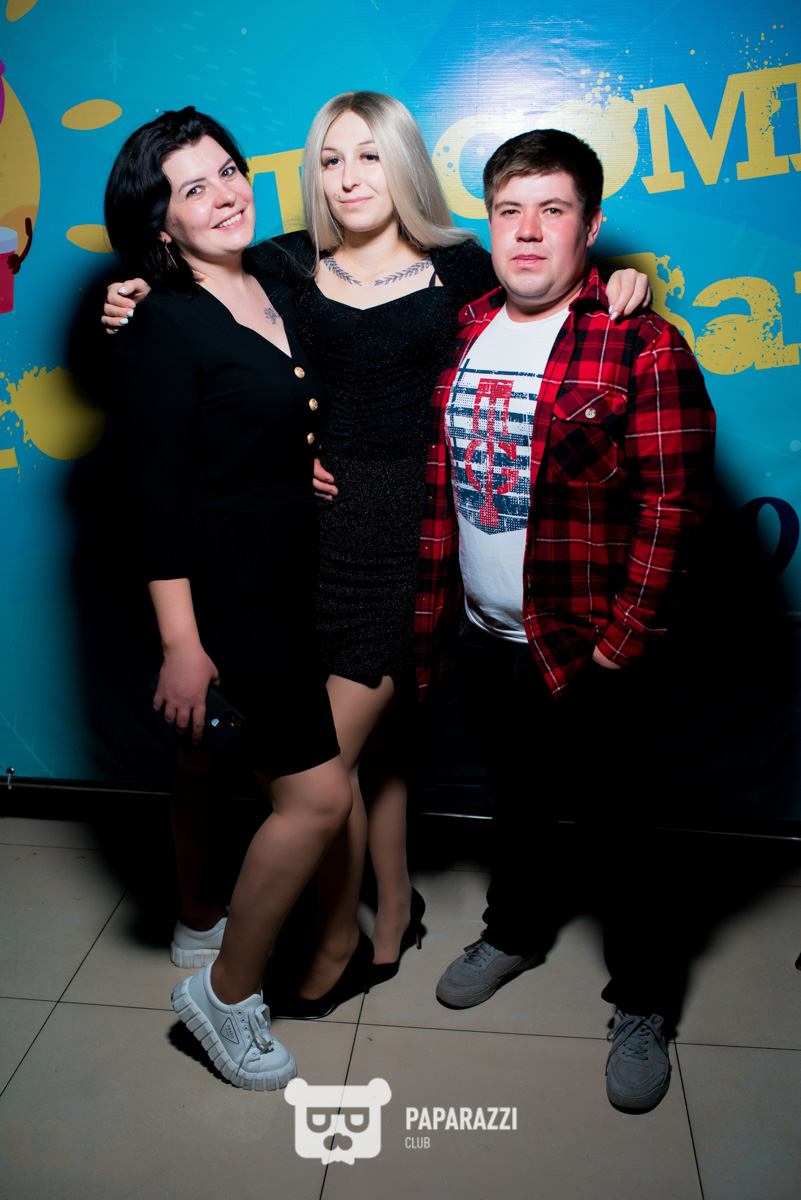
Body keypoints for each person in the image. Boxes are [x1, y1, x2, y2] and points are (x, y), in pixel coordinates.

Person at [103, 94, 652, 1016]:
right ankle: (390, 911)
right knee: (365, 752)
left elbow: (549, 281)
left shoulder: (463, 265)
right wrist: (130, 298)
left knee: (336, 750)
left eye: (368, 156)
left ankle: (333, 942)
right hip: (311, 537)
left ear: (402, 164)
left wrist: (620, 285)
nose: (349, 177)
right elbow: (195, 292)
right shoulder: (283, 262)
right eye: (329, 160)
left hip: (416, 534)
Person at [414, 128, 715, 1111]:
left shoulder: (642, 342)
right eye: (509, 210)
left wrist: (621, 645)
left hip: (592, 650)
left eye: (552, 210)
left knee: (627, 833)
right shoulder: (462, 328)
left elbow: (675, 508)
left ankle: (643, 1000)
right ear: (488, 225)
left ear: (589, 227)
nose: (528, 231)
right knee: (517, 802)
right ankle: (513, 932)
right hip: (487, 639)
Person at [103, 107, 352, 1088]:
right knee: (318, 797)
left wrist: (295, 469)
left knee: (204, 758)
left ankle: (199, 917)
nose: (223, 194)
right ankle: (225, 996)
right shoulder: (159, 323)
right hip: (228, 594)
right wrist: (181, 642)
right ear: (160, 223)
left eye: (228, 170)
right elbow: (156, 499)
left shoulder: (275, 276)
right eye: (192, 187)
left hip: (284, 565)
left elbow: (255, 415)